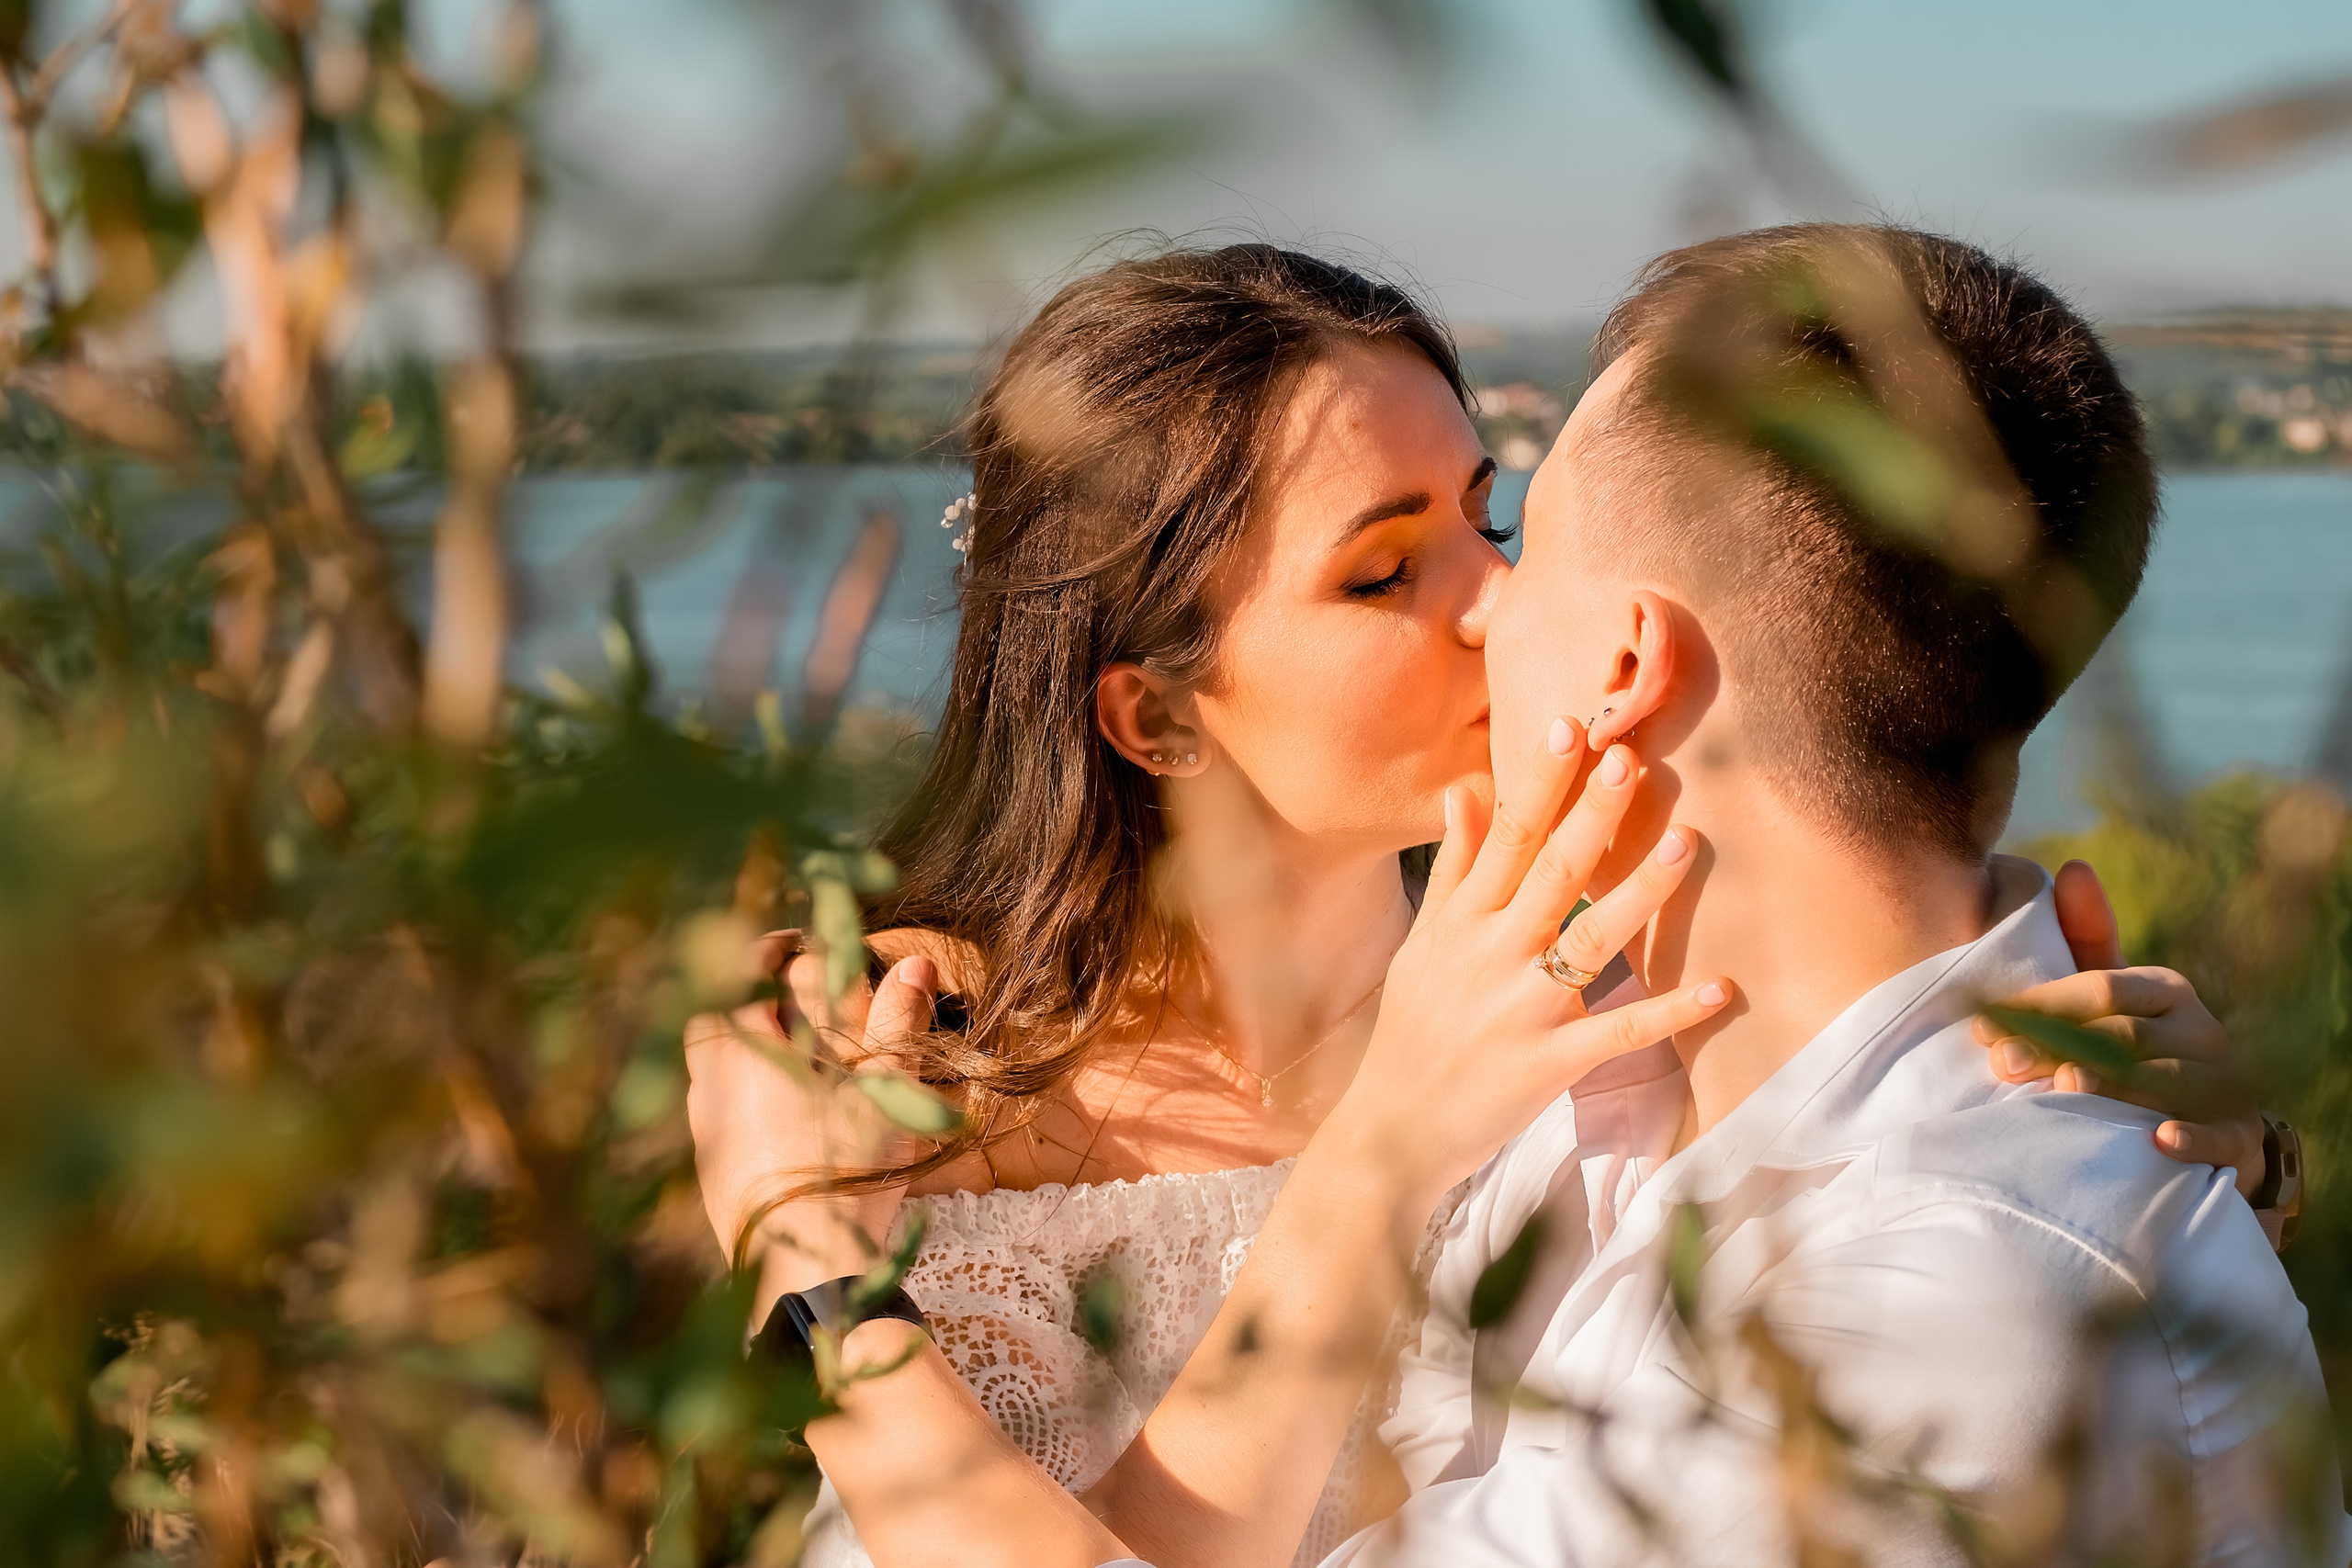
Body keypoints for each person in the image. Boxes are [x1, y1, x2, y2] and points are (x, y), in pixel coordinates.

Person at [683, 238, 2294, 1568]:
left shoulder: (1667, 1060)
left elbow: (1940, 1172)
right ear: (1154, 715)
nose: (1489, 603)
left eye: (1493, 522)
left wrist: (2165, 1159)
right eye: (1386, 573)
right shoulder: (882, 1074)